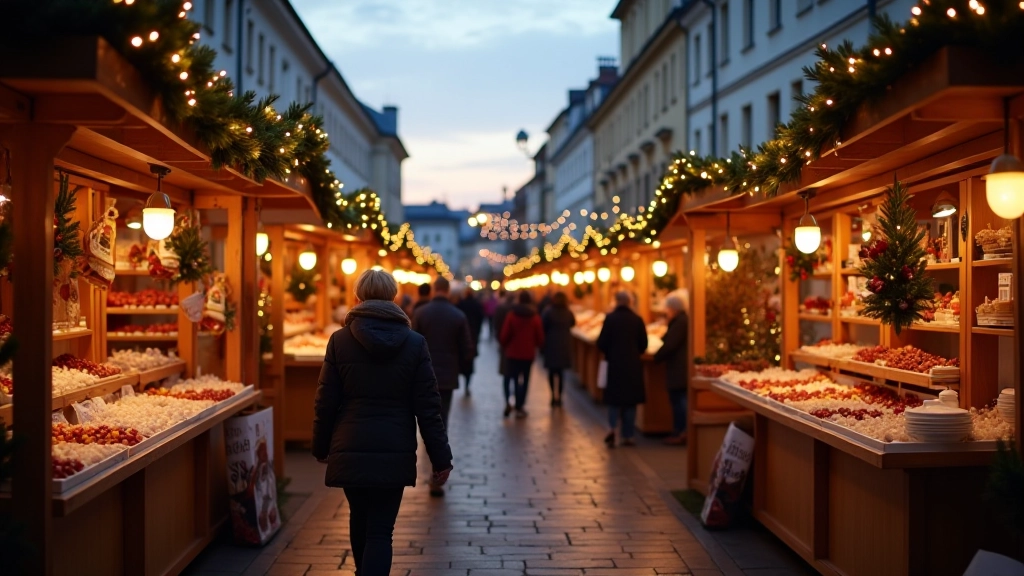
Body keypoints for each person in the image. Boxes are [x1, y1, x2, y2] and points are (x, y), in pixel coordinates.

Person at [312, 269, 453, 575]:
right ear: (393, 295)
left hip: (351, 445)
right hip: (394, 447)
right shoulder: (415, 343)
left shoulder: (339, 341)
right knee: (380, 531)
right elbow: (429, 407)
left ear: (358, 296)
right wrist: (440, 458)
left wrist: (321, 446)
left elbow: (325, 401)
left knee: (359, 517)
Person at [411, 277, 474, 495]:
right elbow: (467, 348)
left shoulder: (421, 313)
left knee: (423, 418)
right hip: (447, 376)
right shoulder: (458, 315)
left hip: (422, 377)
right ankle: (436, 473)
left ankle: (428, 465)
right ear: (447, 291)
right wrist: (458, 365)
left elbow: (410, 343)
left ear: (434, 290)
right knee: (441, 421)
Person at [597, 291, 648, 447]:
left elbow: (601, 343)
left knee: (614, 401)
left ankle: (612, 429)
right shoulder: (637, 320)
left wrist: (610, 352)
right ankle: (628, 435)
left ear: (616, 301)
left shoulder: (610, 319)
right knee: (630, 402)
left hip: (614, 364)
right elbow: (644, 344)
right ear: (630, 302)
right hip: (632, 365)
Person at [499, 291, 544, 418]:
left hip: (512, 353)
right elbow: (540, 337)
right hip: (528, 354)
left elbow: (504, 335)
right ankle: (520, 405)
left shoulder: (512, 315)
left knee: (512, 378)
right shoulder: (534, 317)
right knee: (524, 380)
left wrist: (505, 345)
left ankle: (510, 401)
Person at [654, 295, 689, 445]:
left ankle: (681, 432)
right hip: (679, 367)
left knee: (679, 402)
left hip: (679, 368)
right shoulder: (681, 321)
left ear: (673, 309)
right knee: (679, 400)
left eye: (667, 309)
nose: (666, 312)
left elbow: (670, 344)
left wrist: (657, 357)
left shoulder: (680, 322)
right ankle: (681, 431)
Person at [541, 292, 575, 407]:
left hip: (551, 344)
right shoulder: (568, 312)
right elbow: (573, 323)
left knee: (551, 372)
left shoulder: (548, 312)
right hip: (564, 344)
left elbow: (543, 326)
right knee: (561, 373)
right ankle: (559, 396)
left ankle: (552, 395)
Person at [456, 287, 485, 396]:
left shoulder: (461, 304)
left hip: (460, 337)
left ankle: (460, 381)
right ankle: (467, 385)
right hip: (473, 336)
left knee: (460, 360)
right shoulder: (476, 304)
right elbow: (481, 318)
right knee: (469, 361)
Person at [492, 290, 516, 411]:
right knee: (517, 376)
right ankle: (517, 401)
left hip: (505, 346)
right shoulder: (516, 310)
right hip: (518, 347)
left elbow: (496, 325)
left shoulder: (501, 308)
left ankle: (507, 400)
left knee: (507, 376)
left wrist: (500, 340)